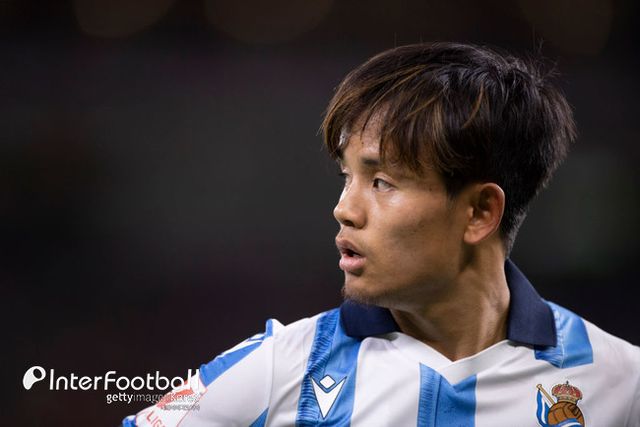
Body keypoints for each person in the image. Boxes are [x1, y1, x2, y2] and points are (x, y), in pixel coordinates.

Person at [122, 42, 640, 426]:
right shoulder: (281, 367)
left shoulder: (621, 382)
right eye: (347, 177)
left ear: (480, 212)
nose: (344, 209)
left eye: (382, 182)